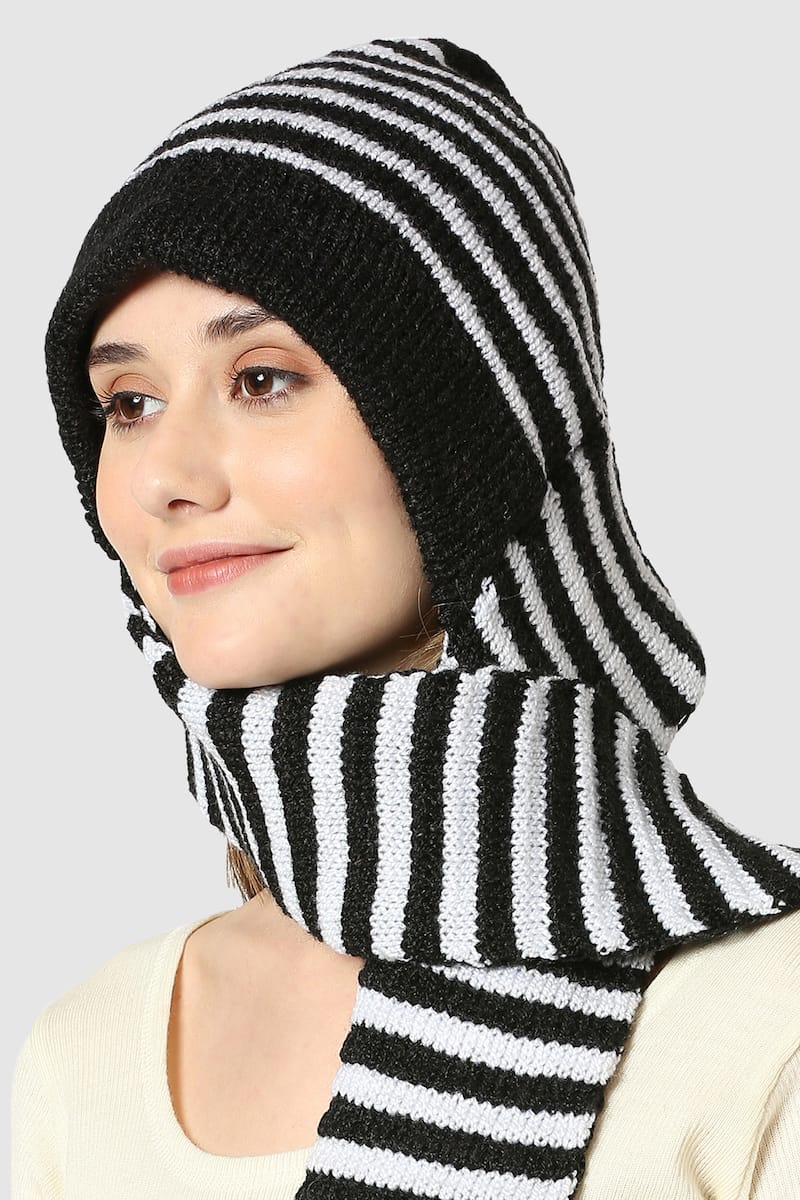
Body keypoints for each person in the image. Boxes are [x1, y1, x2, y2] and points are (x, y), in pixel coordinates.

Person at [12, 34, 800, 1200]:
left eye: (263, 379)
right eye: (127, 402)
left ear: (471, 439)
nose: (163, 476)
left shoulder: (765, 1019)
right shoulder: (86, 1051)